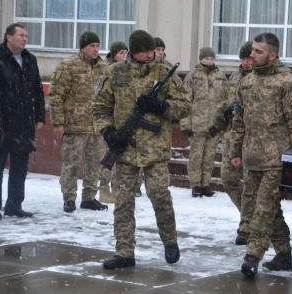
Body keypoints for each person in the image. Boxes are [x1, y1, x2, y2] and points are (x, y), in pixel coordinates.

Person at [92, 29, 190, 269]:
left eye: (151, 50)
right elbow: (100, 106)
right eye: (144, 51)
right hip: (125, 151)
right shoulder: (115, 73)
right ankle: (124, 251)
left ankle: (170, 241)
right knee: (123, 202)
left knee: (159, 197)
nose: (149, 55)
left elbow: (185, 106)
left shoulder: (163, 72)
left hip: (155, 152)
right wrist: (108, 132)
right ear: (132, 51)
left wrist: (161, 106)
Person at [229, 32, 292, 277]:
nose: (252, 55)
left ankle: (252, 256)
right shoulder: (247, 81)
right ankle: (283, 254)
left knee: (262, 211)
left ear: (272, 55)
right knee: (266, 209)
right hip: (252, 158)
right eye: (252, 50)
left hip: (277, 160)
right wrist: (235, 150)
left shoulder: (287, 81)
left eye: (258, 51)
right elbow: (238, 120)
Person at [0, 23, 45, 220]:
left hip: (24, 123)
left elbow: (37, 90)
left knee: (20, 167)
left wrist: (39, 116)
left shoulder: (30, 59)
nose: (25, 39)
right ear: (9, 37)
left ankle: (14, 205)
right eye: (21, 35)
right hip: (2, 123)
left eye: (26, 36)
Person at [49, 31, 109, 213]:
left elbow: (109, 96)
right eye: (92, 46)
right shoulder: (68, 66)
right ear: (82, 47)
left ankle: (89, 197)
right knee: (71, 164)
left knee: (95, 163)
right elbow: (56, 95)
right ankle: (69, 198)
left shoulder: (104, 68)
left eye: (98, 46)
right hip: (75, 125)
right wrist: (58, 122)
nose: (96, 49)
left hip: (97, 127)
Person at [212, 41, 252, 244]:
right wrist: (220, 112)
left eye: (249, 58)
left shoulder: (260, 79)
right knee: (228, 180)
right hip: (230, 138)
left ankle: (246, 226)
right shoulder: (235, 77)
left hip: (251, 140)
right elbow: (227, 100)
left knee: (251, 184)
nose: (246, 62)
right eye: (243, 59)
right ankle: (250, 216)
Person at [180, 47, 227, 198]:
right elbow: (185, 101)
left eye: (211, 58)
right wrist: (185, 124)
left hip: (214, 124)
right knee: (196, 156)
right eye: (206, 58)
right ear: (201, 59)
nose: (209, 61)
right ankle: (195, 185)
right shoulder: (193, 76)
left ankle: (205, 184)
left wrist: (222, 122)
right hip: (197, 123)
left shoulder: (220, 76)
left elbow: (226, 100)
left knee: (209, 157)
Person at [99, 41, 128, 203]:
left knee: (118, 157)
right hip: (107, 120)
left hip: (121, 119)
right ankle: (103, 189)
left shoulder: (125, 70)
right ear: (113, 53)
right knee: (108, 156)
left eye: (126, 53)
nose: (124, 56)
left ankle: (116, 189)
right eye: (121, 53)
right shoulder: (105, 69)